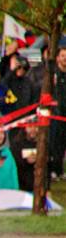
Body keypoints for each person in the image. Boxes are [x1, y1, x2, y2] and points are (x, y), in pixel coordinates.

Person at [50, 46, 66, 178]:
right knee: (55, 142)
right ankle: (54, 169)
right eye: (62, 55)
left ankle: (60, 170)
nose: (65, 58)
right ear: (57, 58)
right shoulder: (53, 75)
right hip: (56, 114)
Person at [10, 124, 39, 193]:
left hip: (38, 186)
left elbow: (48, 167)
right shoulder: (17, 144)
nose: (33, 130)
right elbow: (14, 164)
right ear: (24, 128)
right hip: (21, 186)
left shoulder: (43, 144)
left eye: (36, 127)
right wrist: (26, 162)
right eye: (30, 127)